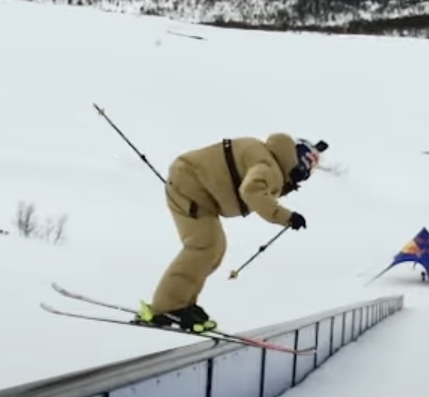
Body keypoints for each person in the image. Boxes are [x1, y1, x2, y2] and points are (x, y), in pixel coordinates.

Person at [137, 132, 326, 333]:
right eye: (307, 168)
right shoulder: (270, 167)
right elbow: (251, 190)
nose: (305, 176)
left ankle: (181, 303)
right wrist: (287, 216)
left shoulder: (266, 157)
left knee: (213, 248)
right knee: (204, 245)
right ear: (297, 162)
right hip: (191, 185)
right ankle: (167, 306)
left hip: (192, 184)